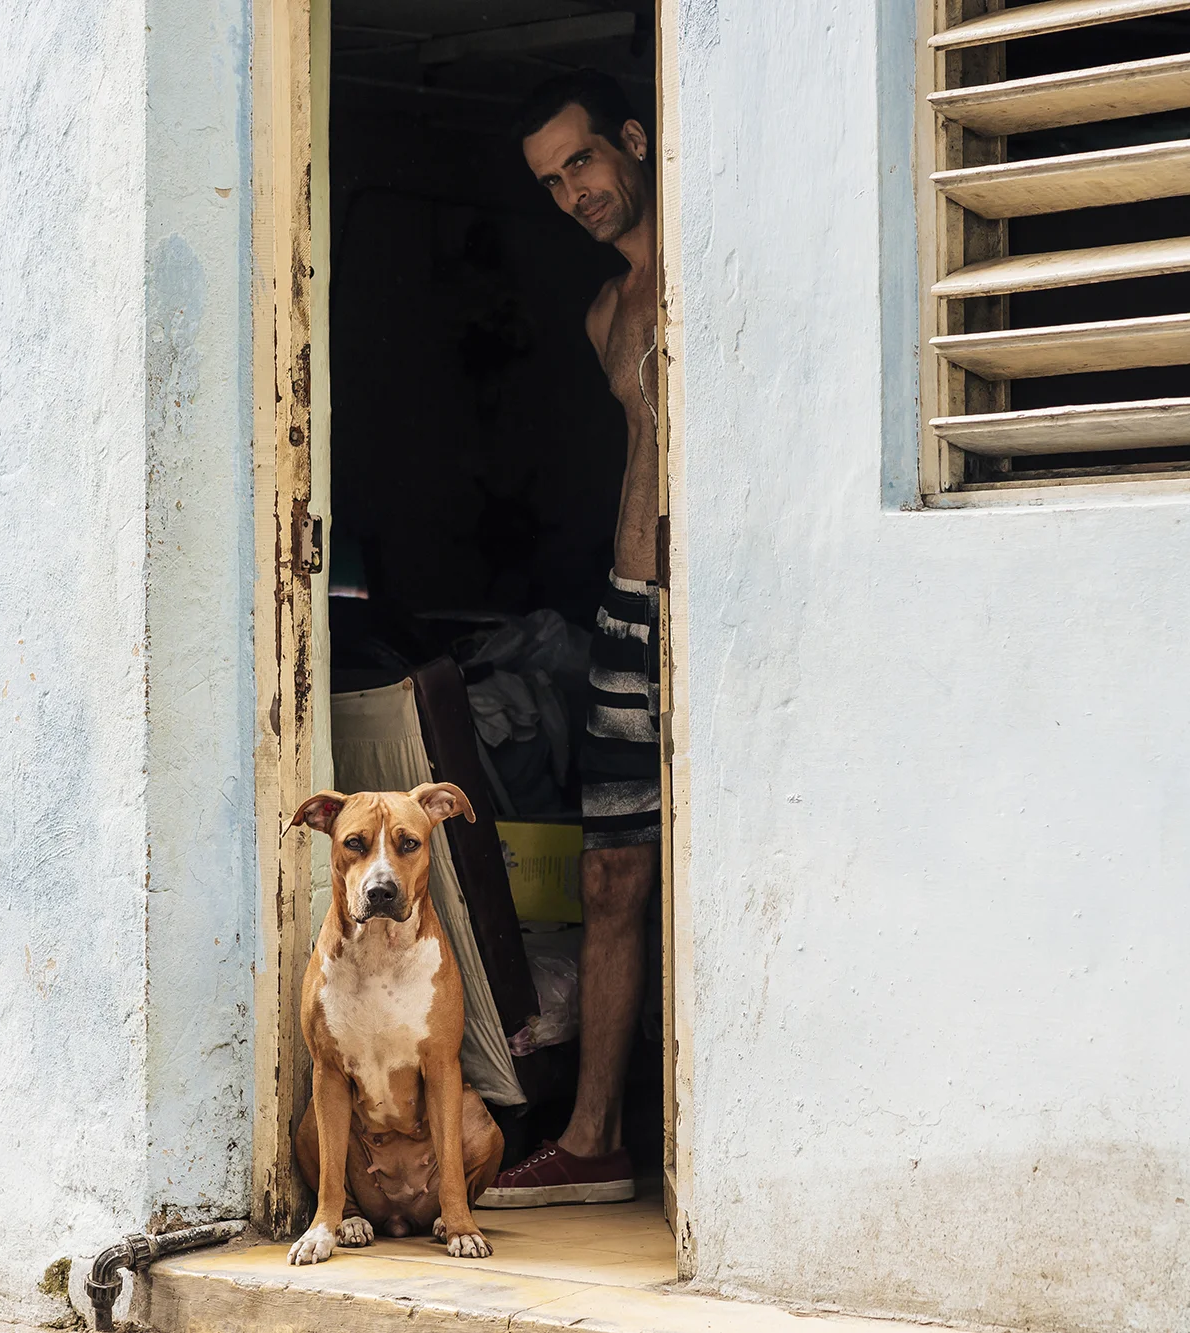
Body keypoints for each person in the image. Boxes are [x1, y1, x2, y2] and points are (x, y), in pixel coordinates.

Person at [477, 71, 661, 1209]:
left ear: (633, 141)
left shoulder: (703, 261)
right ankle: (591, 1139)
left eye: (583, 163)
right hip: (628, 608)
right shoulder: (605, 313)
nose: (572, 192)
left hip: (723, 606)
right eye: (551, 182)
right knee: (607, 872)